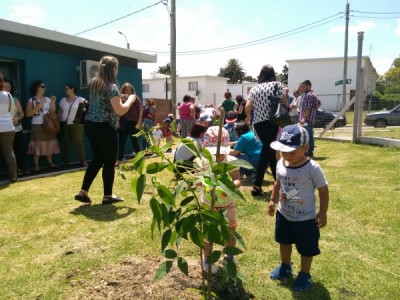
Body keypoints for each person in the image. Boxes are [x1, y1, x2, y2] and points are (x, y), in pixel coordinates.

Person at [268, 124, 329, 292]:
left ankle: (304, 273)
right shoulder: (281, 163)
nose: (287, 155)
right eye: (283, 151)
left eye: (292, 152)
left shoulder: (312, 168)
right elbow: (277, 183)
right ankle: (285, 266)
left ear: (305, 148)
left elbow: (323, 189)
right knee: (284, 241)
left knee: (306, 248)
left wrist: (323, 211)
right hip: (284, 214)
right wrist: (272, 200)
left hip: (305, 218)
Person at [74, 55, 137, 205]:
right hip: (105, 127)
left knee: (97, 159)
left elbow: (103, 99)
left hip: (90, 125)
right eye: (117, 68)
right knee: (109, 161)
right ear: (113, 68)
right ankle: (107, 196)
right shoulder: (112, 86)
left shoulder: (95, 83)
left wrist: (119, 95)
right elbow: (120, 110)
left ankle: (83, 192)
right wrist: (130, 100)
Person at [196, 126, 241, 273]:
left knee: (230, 231)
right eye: (214, 153)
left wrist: (226, 189)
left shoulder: (231, 161)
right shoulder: (203, 162)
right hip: (208, 204)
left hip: (227, 204)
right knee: (208, 232)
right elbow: (196, 181)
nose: (217, 156)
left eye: (221, 152)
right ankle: (207, 258)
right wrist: (206, 184)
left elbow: (237, 180)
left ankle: (229, 255)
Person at [245, 64, 288, 196]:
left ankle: (278, 182)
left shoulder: (254, 88)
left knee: (269, 152)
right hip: (272, 121)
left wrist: (248, 117)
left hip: (258, 123)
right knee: (267, 150)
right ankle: (257, 185)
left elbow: (248, 107)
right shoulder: (277, 85)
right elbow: (284, 101)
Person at [25, 80, 60, 171]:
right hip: (37, 125)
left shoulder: (48, 99)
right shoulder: (31, 100)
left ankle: (50, 163)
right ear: (37, 88)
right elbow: (28, 114)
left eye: (44, 86)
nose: (44, 88)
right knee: (37, 144)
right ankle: (36, 165)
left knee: (49, 142)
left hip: (48, 125)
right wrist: (37, 108)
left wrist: (53, 102)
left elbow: (52, 112)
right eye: (42, 86)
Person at [58, 83, 88, 167]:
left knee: (79, 142)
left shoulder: (80, 99)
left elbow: (86, 108)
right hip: (65, 123)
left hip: (77, 124)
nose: (66, 91)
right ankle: (65, 161)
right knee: (66, 142)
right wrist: (58, 121)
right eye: (65, 89)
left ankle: (83, 161)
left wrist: (81, 119)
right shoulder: (63, 100)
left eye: (67, 89)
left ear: (72, 89)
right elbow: (60, 111)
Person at [3, 79, 29, 176]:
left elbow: (22, 113)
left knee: (20, 150)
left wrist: (17, 118)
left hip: (17, 129)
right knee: (9, 152)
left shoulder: (14, 99)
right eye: (5, 86)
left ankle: (24, 169)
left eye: (8, 86)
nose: (7, 88)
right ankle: (14, 171)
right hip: (5, 130)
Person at [116, 83, 143, 167]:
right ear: (123, 90)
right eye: (126, 90)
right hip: (123, 122)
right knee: (121, 142)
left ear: (132, 90)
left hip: (133, 122)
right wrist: (117, 121)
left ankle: (140, 159)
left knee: (135, 141)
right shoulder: (120, 98)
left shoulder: (135, 97)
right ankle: (119, 160)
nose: (128, 91)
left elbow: (140, 109)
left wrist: (139, 121)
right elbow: (117, 110)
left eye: (129, 90)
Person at [0, 73, 17, 182]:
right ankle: (14, 177)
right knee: (9, 152)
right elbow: (12, 112)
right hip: (8, 127)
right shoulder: (9, 95)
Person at [299, 80, 321, 157]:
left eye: (303, 86)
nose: (302, 87)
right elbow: (318, 104)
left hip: (307, 119)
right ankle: (310, 151)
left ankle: (307, 152)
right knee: (310, 135)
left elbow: (308, 108)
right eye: (302, 86)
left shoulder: (309, 95)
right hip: (310, 119)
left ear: (308, 86)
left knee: (306, 136)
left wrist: (303, 118)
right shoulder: (312, 94)